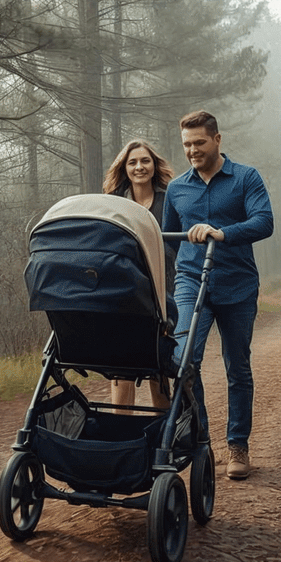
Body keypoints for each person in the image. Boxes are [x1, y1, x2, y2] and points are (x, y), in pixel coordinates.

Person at [161, 111, 274, 480]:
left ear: (217, 139)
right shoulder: (177, 189)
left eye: (199, 142)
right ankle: (202, 442)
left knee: (237, 366)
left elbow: (264, 222)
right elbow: (168, 239)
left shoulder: (246, 177)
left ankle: (238, 444)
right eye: (186, 145)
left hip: (238, 285)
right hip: (191, 281)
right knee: (184, 363)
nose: (192, 150)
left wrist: (221, 232)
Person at [99, 139, 176, 409]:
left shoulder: (170, 201)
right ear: (125, 168)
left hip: (161, 294)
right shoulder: (112, 203)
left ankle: (162, 437)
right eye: (132, 162)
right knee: (122, 370)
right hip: (122, 294)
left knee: (158, 369)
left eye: (145, 161)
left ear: (155, 166)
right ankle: (122, 434)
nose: (139, 167)